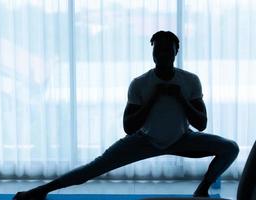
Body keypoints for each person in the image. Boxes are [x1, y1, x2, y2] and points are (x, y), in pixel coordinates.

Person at [13, 31, 239, 200]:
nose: (161, 54)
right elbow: (129, 127)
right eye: (157, 50)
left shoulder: (190, 80)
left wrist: (180, 99)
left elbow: (201, 124)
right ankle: (38, 192)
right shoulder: (140, 84)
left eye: (166, 50)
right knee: (93, 168)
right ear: (151, 52)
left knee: (231, 148)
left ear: (175, 51)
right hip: (145, 140)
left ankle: (202, 190)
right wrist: (153, 99)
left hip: (183, 139)